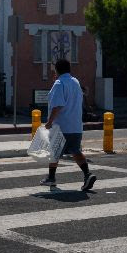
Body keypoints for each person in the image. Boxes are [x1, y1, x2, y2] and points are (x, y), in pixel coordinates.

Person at [40, 58, 96, 191]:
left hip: (61, 126)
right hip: (75, 125)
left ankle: (51, 178)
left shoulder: (59, 83)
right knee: (76, 151)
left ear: (57, 69)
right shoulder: (75, 82)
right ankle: (87, 174)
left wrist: (49, 122)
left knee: (54, 151)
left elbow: (57, 106)